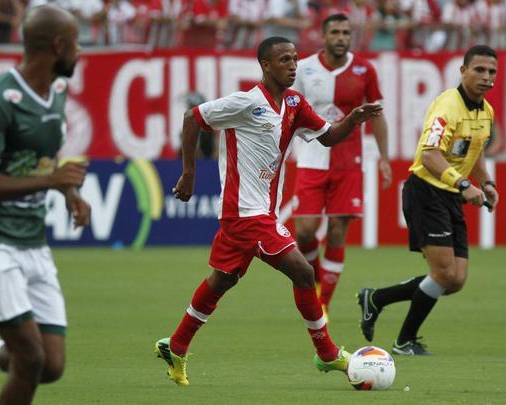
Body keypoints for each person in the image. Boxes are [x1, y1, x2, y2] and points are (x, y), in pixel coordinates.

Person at [154, 36, 383, 386]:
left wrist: (352, 121)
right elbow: (192, 117)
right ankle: (326, 354)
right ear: (265, 65)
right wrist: (188, 173)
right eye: (284, 60)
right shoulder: (245, 103)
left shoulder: (294, 102)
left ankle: (177, 344)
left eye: (294, 59)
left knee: (223, 279)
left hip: (262, 212)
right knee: (304, 272)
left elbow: (327, 136)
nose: (293, 65)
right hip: (245, 213)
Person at [0, 5, 90, 405]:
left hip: (32, 239)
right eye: (76, 42)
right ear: (58, 45)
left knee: (49, 365)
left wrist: (69, 193)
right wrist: (53, 181)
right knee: (29, 357)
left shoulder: (58, 92)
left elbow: (42, 161)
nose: (80, 51)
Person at [357, 45, 499, 355]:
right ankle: (404, 341)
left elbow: (474, 153)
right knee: (444, 273)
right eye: (479, 70)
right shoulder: (447, 107)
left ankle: (376, 298)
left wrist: (485, 182)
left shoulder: (485, 111)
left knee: (456, 280)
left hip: (451, 196)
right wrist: (463, 184)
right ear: (463, 71)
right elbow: (429, 154)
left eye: (492, 72)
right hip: (426, 191)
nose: (486, 77)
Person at [291, 13, 392, 317]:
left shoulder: (365, 69)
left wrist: (384, 158)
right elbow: (290, 112)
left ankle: (323, 305)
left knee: (337, 231)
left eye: (346, 32)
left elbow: (378, 115)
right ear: (323, 36)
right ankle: (318, 279)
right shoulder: (304, 69)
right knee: (305, 231)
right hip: (311, 158)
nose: (341, 37)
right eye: (335, 32)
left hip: (349, 162)